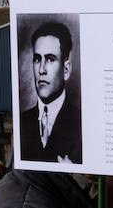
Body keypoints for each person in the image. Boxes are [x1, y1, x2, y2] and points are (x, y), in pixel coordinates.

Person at [19, 21, 83, 163]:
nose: (41, 69)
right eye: (37, 59)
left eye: (50, 59)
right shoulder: (22, 122)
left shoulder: (82, 124)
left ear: (66, 70)